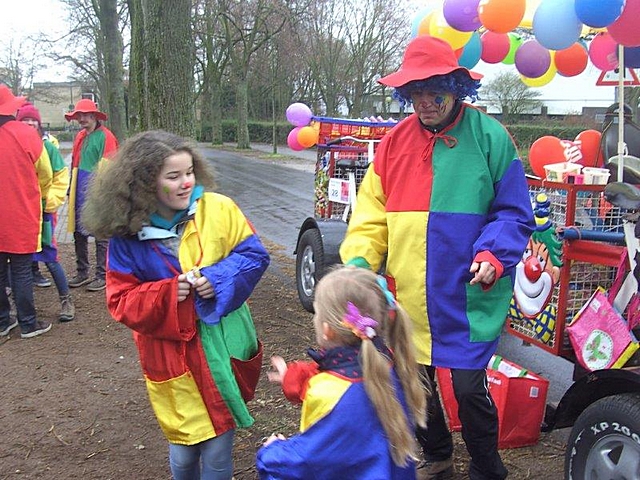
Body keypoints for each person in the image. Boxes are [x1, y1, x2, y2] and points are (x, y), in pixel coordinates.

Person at [339, 35, 536, 480]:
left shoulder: (490, 138)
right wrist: (360, 263)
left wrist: (493, 253)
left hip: (467, 293)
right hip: (408, 293)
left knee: (467, 388)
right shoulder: (393, 143)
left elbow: (513, 212)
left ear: (456, 88)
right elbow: (370, 215)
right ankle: (438, 453)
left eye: (434, 91)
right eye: (415, 93)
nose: (424, 102)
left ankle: (487, 465)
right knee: (416, 382)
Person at [81, 130, 270, 480]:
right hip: (170, 356)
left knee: (218, 448)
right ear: (144, 184)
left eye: (189, 172)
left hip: (223, 346)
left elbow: (254, 255)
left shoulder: (220, 209)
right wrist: (170, 293)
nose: (186, 183)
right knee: (184, 451)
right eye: (173, 176)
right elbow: (120, 300)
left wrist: (217, 278)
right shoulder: (127, 237)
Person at [256, 266, 428, 479]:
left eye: (316, 313)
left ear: (327, 330)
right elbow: (336, 385)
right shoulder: (389, 364)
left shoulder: (333, 391)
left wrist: (273, 451)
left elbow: (307, 461)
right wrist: (292, 378)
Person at [0, 85, 53, 339]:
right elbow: (46, 174)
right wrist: (38, 193)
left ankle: (2, 321)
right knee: (21, 270)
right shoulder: (26, 134)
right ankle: (28, 323)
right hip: (20, 213)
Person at [17, 103, 75, 322]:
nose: (29, 123)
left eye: (33, 120)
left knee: (50, 257)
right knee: (18, 262)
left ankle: (66, 300)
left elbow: (60, 175)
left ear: (39, 123)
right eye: (25, 119)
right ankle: (22, 309)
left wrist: (50, 202)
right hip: (20, 212)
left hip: (42, 211)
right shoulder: (13, 146)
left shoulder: (47, 147)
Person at [65, 98, 118, 292]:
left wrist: (101, 193)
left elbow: (108, 167)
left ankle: (102, 274)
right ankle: (82, 272)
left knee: (100, 233)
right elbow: (75, 163)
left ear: (95, 116)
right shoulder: (80, 136)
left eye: (86, 115)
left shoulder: (106, 136)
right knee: (78, 232)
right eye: (79, 115)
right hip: (78, 186)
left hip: (96, 188)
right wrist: (71, 187)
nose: (82, 119)